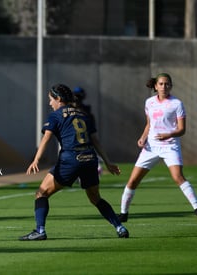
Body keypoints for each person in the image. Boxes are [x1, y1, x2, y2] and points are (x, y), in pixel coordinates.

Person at [19, 83, 129, 241]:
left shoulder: (56, 116)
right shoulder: (83, 114)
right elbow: (95, 141)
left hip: (70, 160)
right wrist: (108, 162)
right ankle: (120, 227)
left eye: (51, 99)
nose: (50, 103)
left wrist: (36, 159)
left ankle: (40, 231)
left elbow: (46, 138)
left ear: (58, 99)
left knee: (41, 193)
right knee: (95, 198)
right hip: (90, 159)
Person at [119, 73, 197, 222]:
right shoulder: (149, 102)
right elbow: (149, 124)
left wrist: (169, 135)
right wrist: (142, 138)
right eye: (161, 84)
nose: (164, 86)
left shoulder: (177, 104)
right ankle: (123, 214)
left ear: (171, 86)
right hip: (151, 147)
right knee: (133, 181)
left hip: (170, 146)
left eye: (167, 84)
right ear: (155, 86)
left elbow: (182, 129)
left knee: (177, 177)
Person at [73, 87, 103, 176]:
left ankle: (95, 167)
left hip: (83, 139)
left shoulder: (86, 111)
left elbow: (92, 131)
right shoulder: (68, 110)